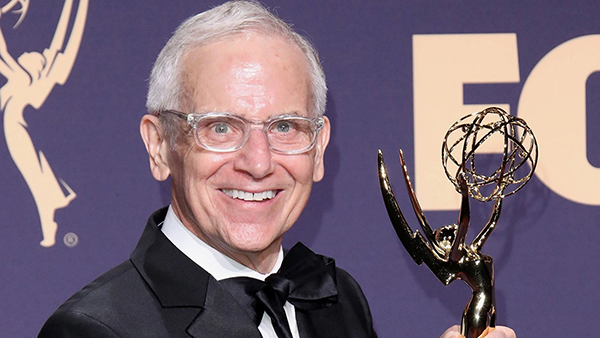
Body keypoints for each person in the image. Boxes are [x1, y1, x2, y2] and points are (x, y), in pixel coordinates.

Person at [38, 1, 517, 337]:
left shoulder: (337, 300)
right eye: (221, 127)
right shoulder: (94, 330)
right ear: (159, 145)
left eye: (285, 126)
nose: (259, 162)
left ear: (320, 146)